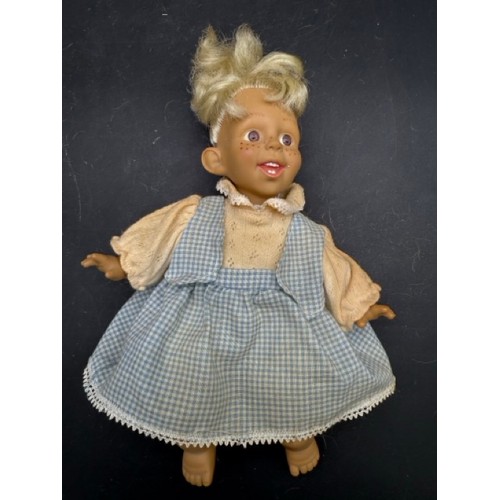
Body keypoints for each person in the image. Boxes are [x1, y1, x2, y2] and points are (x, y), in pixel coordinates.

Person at [81, 24, 396, 487]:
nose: (273, 146)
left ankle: (298, 434)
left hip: (284, 325)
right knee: (190, 378)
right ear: (216, 159)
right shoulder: (196, 213)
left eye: (287, 140)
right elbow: (158, 242)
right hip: (200, 320)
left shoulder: (306, 232)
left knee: (294, 382)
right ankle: (196, 442)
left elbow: (334, 270)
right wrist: (124, 264)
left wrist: (358, 304)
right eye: (253, 135)